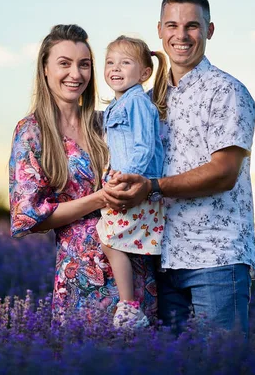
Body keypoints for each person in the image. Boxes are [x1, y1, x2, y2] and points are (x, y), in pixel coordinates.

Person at [103, 0, 255, 336]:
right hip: (165, 256)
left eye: (192, 25)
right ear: (160, 30)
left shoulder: (226, 91)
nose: (181, 35)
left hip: (215, 259)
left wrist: (152, 187)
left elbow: (224, 173)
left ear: (209, 30)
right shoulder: (151, 96)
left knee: (220, 364)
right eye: (172, 25)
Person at [8, 24, 157, 323]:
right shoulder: (32, 132)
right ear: (45, 69)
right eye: (64, 63)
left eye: (84, 64)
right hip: (83, 278)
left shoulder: (106, 123)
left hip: (135, 264)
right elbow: (29, 218)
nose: (75, 74)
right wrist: (100, 199)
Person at [95, 36, 168, 328]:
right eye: (110, 62)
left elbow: (144, 145)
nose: (115, 68)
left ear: (144, 73)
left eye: (125, 63)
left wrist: (130, 178)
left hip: (134, 183)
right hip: (126, 180)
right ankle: (131, 306)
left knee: (109, 237)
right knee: (113, 239)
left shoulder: (136, 102)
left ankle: (129, 307)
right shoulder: (121, 102)